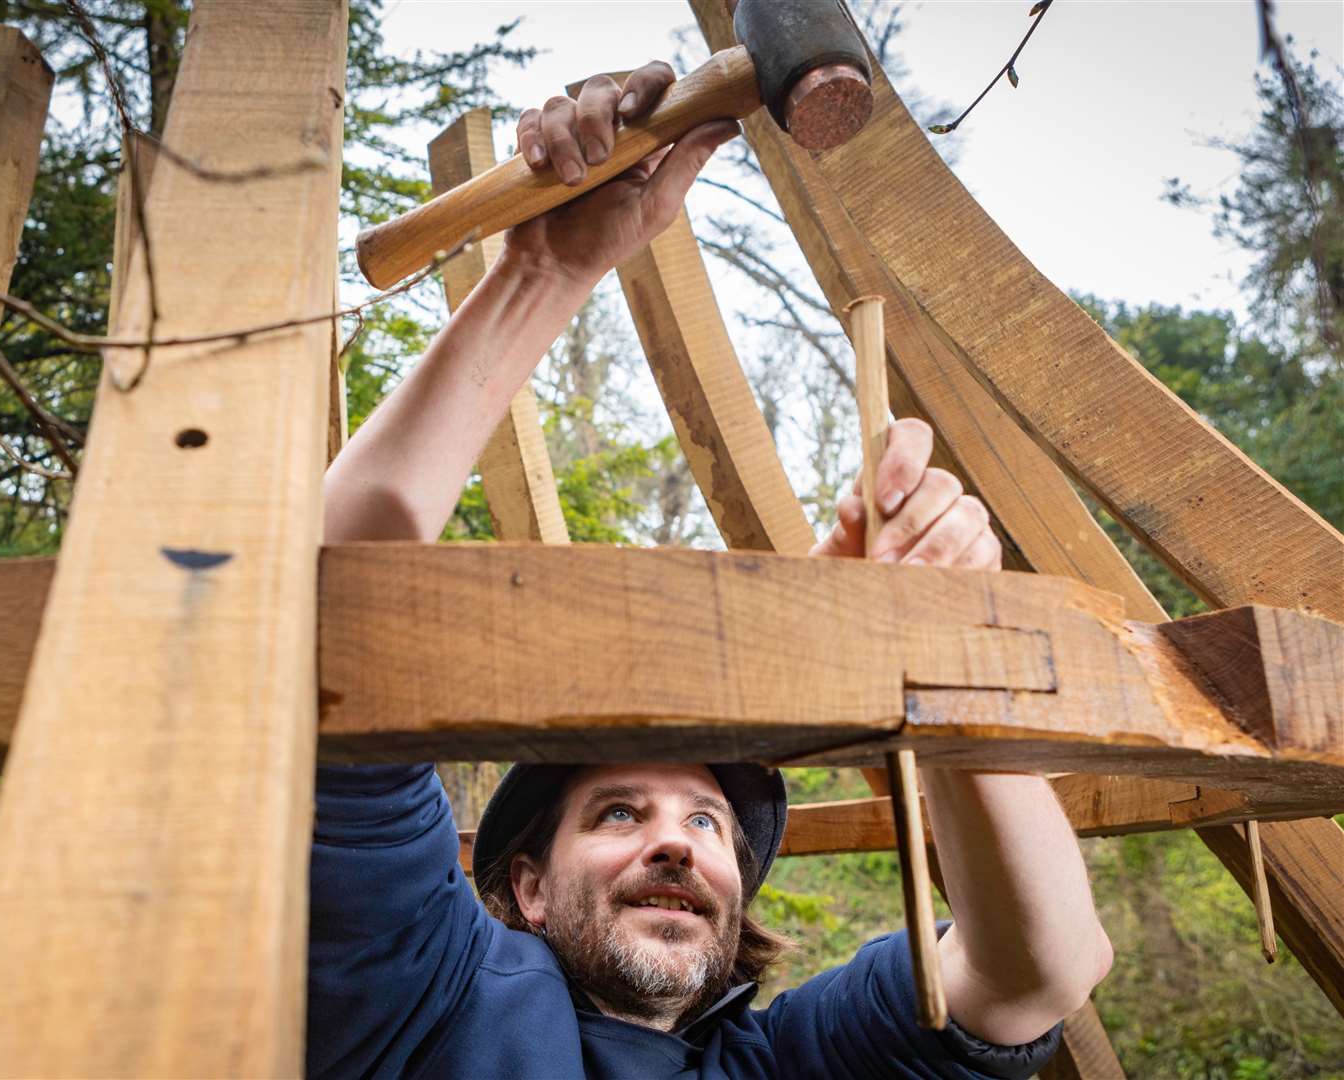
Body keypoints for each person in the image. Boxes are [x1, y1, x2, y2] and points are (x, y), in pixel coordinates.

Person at [312, 62, 1112, 1079]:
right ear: (527, 890)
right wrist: (544, 272)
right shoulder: (428, 993)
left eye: (706, 822)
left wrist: (940, 648)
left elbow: (1040, 968)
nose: (677, 844)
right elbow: (335, 590)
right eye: (617, 812)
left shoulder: (781, 1061)